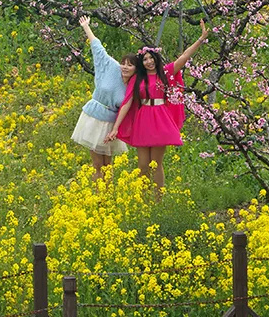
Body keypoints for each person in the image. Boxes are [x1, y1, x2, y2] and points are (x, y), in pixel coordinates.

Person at [106, 22, 209, 191]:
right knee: (143, 165)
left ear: (156, 58)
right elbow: (128, 102)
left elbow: (184, 57)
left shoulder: (166, 72)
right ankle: (143, 200)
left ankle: (158, 199)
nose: (148, 62)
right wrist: (116, 128)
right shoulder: (137, 78)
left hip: (160, 118)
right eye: (145, 59)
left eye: (151, 58)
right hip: (143, 119)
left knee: (156, 164)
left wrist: (201, 39)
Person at [71, 15, 137, 179]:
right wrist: (86, 27)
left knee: (108, 165)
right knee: (97, 164)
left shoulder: (134, 86)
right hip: (94, 119)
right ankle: (99, 196)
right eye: (124, 63)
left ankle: (107, 196)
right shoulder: (112, 67)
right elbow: (97, 48)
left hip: (110, 124)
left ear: (136, 68)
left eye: (130, 65)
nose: (125, 67)